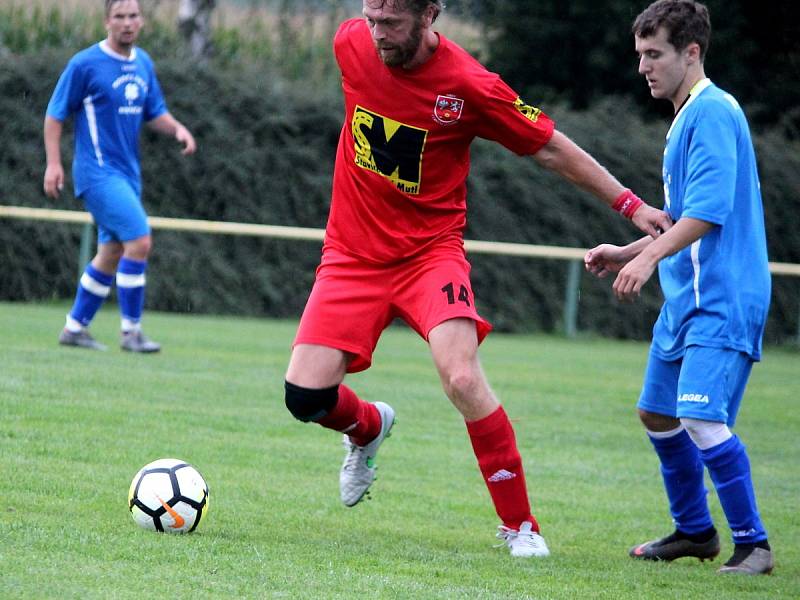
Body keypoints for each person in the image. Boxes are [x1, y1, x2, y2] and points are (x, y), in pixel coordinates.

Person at [284, 0, 671, 559]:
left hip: (429, 257)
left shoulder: (469, 85)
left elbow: (550, 147)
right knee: (303, 396)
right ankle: (367, 428)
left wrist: (631, 206)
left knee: (462, 379)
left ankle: (521, 526)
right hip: (352, 254)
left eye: (390, 23)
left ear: (430, 15)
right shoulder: (350, 44)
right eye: (370, 18)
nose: (376, 33)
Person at [584, 0, 773, 575]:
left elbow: (709, 215)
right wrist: (628, 251)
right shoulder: (686, 115)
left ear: (691, 53)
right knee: (658, 414)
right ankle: (694, 531)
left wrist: (646, 264)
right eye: (640, 54)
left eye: (654, 54)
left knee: (700, 417)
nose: (643, 66)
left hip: (722, 297)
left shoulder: (714, 112)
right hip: (686, 300)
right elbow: (682, 215)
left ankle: (754, 545)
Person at [44, 0, 196, 353]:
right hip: (96, 172)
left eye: (133, 16)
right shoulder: (84, 64)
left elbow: (153, 111)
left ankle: (74, 328)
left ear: (141, 21)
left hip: (128, 174)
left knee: (112, 251)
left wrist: (177, 129)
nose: (127, 23)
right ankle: (131, 332)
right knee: (140, 241)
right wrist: (54, 164)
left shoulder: (142, 63)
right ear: (106, 21)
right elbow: (55, 115)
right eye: (119, 17)